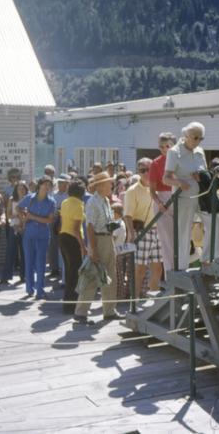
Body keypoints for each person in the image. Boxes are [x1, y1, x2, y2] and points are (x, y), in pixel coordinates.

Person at [74, 172, 123, 323]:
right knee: (91, 276)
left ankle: (109, 310)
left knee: (110, 277)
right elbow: (90, 227)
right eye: (108, 183)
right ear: (100, 186)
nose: (111, 185)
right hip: (98, 240)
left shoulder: (105, 201)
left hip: (107, 240)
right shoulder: (93, 202)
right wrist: (92, 249)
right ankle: (80, 312)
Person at [163, 122, 208, 270]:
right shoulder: (174, 152)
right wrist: (179, 182)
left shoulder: (200, 151)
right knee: (183, 232)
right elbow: (166, 178)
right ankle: (181, 268)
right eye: (196, 137)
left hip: (202, 197)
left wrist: (201, 176)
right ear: (186, 136)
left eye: (201, 138)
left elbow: (205, 173)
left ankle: (208, 259)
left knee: (214, 222)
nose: (198, 141)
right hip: (183, 198)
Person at [124, 158, 164, 297]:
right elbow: (127, 215)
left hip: (158, 230)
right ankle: (133, 302)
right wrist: (131, 233)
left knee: (158, 268)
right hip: (142, 232)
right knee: (139, 270)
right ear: (138, 172)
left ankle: (152, 299)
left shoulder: (159, 186)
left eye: (148, 169)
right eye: (142, 170)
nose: (146, 173)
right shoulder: (132, 190)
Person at [18, 176, 56, 299]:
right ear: (39, 185)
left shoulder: (51, 202)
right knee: (28, 260)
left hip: (43, 235)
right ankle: (29, 288)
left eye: (49, 185)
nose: (47, 187)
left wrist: (31, 217)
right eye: (45, 184)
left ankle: (40, 289)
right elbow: (18, 207)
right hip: (29, 233)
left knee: (40, 263)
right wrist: (23, 217)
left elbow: (49, 220)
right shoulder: (29, 198)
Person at [58, 180, 88, 315]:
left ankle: (67, 304)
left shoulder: (65, 202)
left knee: (69, 272)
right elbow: (76, 229)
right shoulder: (79, 205)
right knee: (74, 274)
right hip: (72, 239)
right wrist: (83, 246)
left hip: (63, 237)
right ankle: (72, 305)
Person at [150, 132, 177, 271]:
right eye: (161, 147)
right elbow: (152, 191)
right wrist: (159, 203)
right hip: (163, 199)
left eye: (166, 146)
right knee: (167, 242)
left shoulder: (180, 159)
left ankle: (180, 271)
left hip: (180, 198)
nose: (163, 149)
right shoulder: (156, 163)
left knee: (181, 239)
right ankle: (170, 274)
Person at [0, 168, 22, 283]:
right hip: (12, 224)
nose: (16, 179)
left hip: (23, 225)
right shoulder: (7, 192)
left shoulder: (25, 190)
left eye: (18, 177)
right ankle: (7, 275)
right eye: (13, 177)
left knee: (23, 251)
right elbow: (5, 207)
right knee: (10, 249)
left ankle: (24, 275)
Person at [7, 181, 28, 283]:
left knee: (24, 253)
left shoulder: (29, 200)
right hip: (14, 227)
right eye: (19, 188)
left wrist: (23, 220)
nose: (21, 190)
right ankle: (6, 277)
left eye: (23, 188)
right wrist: (18, 215)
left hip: (25, 228)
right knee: (11, 251)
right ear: (16, 190)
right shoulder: (12, 200)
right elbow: (8, 215)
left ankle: (23, 275)